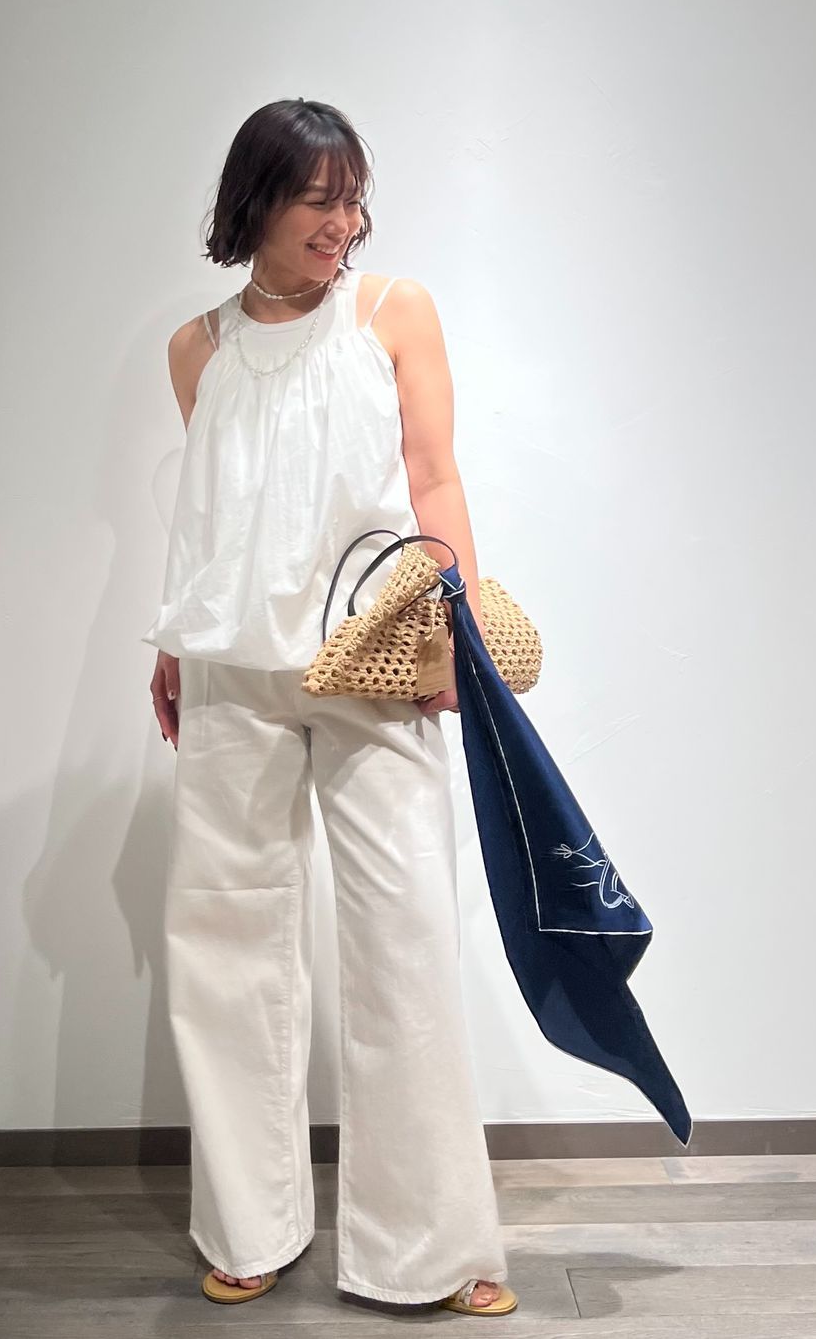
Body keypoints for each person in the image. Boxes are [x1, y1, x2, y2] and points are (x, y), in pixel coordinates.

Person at [143, 98, 518, 1318]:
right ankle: (248, 1226)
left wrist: (455, 623)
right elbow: (222, 511)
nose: (343, 224)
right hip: (232, 670)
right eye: (320, 200)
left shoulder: (391, 312)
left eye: (354, 200)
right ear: (255, 201)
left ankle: (432, 1245)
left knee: (404, 935)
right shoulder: (195, 348)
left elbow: (433, 476)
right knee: (227, 946)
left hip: (374, 660)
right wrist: (173, 642)